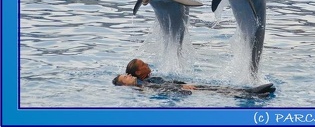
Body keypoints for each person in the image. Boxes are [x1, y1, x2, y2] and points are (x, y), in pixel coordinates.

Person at [112, 59, 276, 98]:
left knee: (216, 89)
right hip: (184, 89)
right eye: (143, 65)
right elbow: (159, 90)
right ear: (138, 73)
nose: (147, 64)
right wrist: (181, 88)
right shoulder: (143, 85)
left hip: (185, 86)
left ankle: (251, 93)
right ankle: (251, 93)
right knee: (216, 91)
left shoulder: (148, 79)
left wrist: (182, 83)